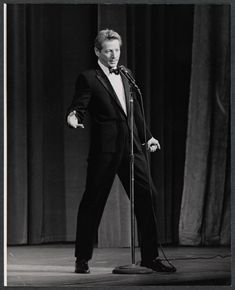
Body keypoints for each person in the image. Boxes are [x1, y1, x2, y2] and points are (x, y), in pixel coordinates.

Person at [67, 29, 176, 274]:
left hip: (132, 148)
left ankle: (150, 258)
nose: (114, 55)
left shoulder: (126, 74)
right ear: (98, 51)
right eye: (108, 50)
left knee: (148, 197)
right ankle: (82, 258)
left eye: (117, 50)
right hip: (105, 152)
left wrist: (147, 137)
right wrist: (73, 117)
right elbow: (79, 105)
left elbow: (134, 113)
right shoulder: (89, 78)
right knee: (93, 202)